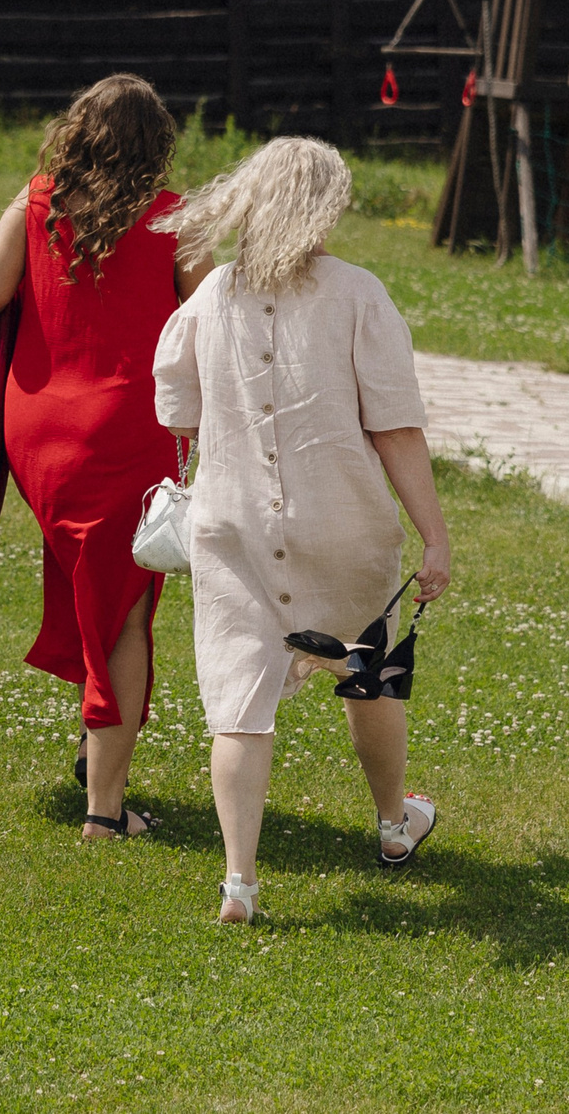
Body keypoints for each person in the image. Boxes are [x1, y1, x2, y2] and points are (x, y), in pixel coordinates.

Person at [150, 136, 451, 924]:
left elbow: (174, 407)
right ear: (325, 208)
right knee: (368, 670)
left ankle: (240, 882)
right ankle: (394, 825)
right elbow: (397, 428)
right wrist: (435, 536)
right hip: (344, 525)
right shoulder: (358, 294)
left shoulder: (210, 293)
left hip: (232, 526)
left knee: (239, 704)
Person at [0, 75, 211, 841]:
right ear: (158, 143)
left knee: (96, 589)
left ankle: (93, 747)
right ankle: (104, 811)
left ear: (75, 132)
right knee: (124, 612)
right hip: (127, 433)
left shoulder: (36, 201)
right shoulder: (174, 218)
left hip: (38, 431)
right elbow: (211, 319)